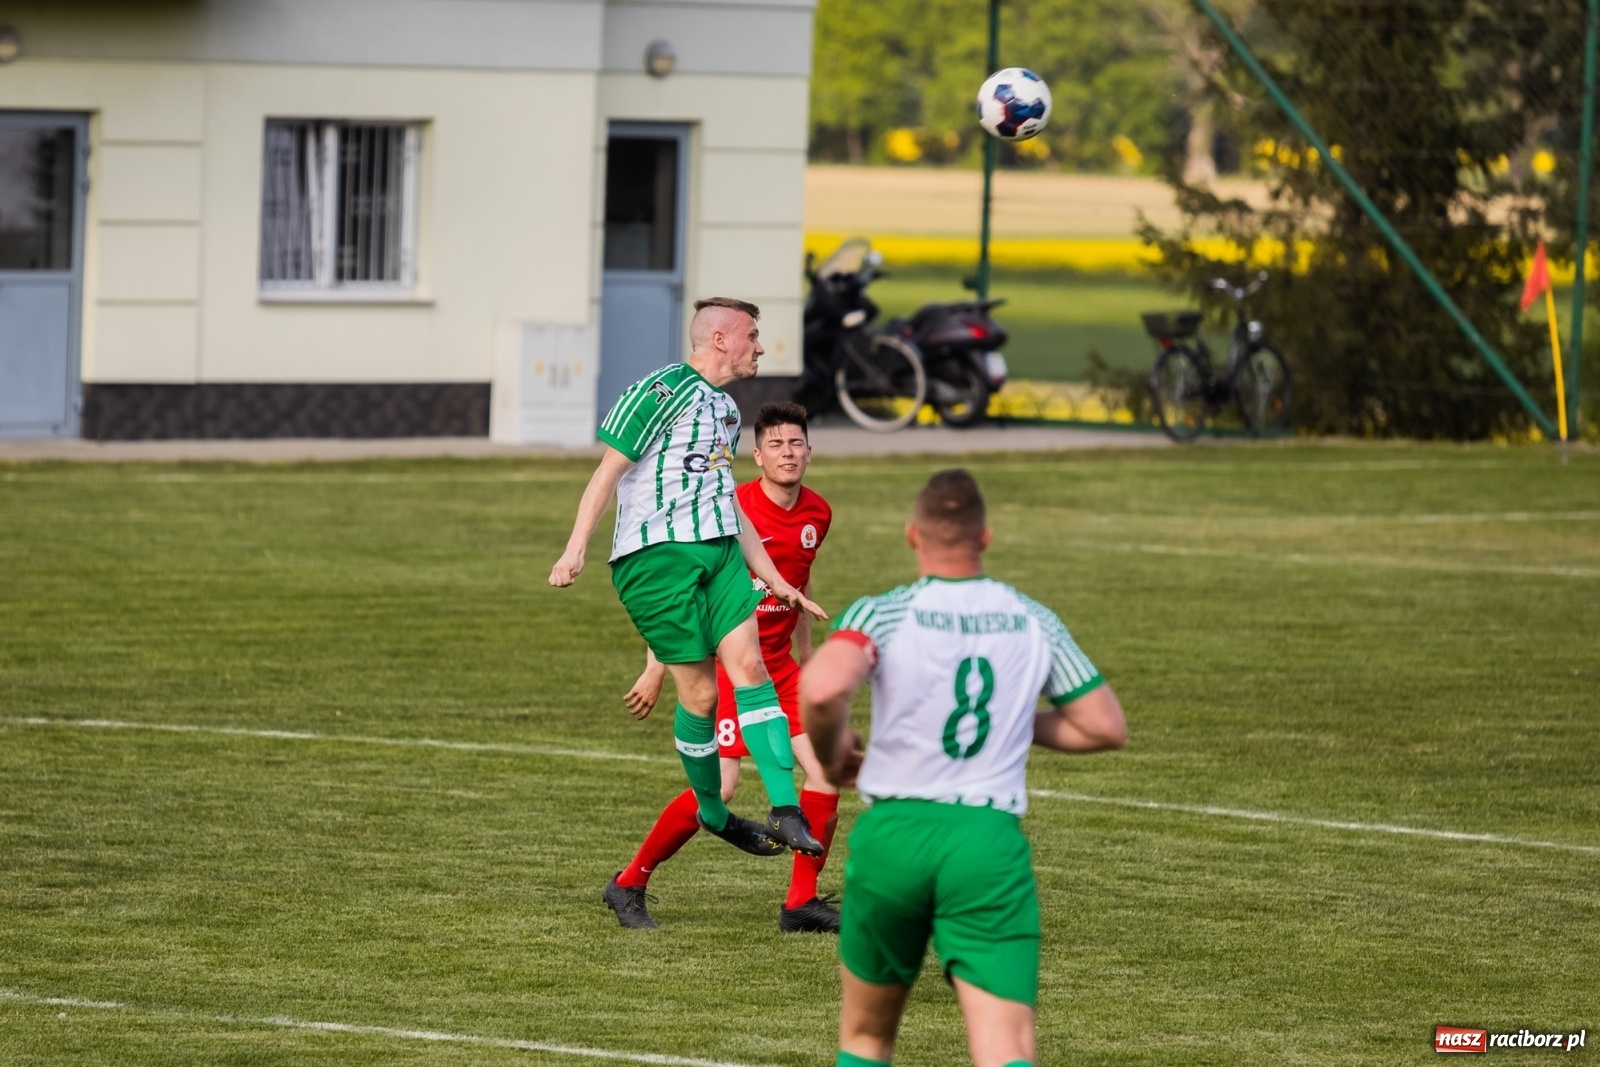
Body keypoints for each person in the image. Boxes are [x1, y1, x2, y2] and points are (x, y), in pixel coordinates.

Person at [800, 469, 1128, 1067]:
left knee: (868, 1039)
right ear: (986, 537)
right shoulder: (1034, 620)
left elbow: (821, 690)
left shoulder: (885, 613)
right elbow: (1104, 726)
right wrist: (1010, 717)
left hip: (894, 836)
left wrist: (830, 754)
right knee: (1005, 1049)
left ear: (912, 536)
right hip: (986, 843)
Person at [550, 298, 828, 860]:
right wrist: (575, 548)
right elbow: (609, 470)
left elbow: (728, 501)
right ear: (721, 339)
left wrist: (773, 577)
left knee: (750, 667)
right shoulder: (659, 389)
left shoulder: (726, 411)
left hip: (722, 551)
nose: (760, 346)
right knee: (700, 696)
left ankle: (785, 810)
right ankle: (717, 813)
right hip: (654, 559)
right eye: (753, 335)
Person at [603, 403, 843, 933]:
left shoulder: (818, 513)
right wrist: (656, 668)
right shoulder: (726, 506)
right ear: (756, 456)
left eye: (796, 443)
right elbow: (681, 586)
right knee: (724, 786)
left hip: (780, 666)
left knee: (827, 773)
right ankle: (629, 881)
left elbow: (799, 586)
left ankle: (800, 903)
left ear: (809, 451)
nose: (788, 453)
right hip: (735, 668)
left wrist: (809, 663)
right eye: (776, 445)